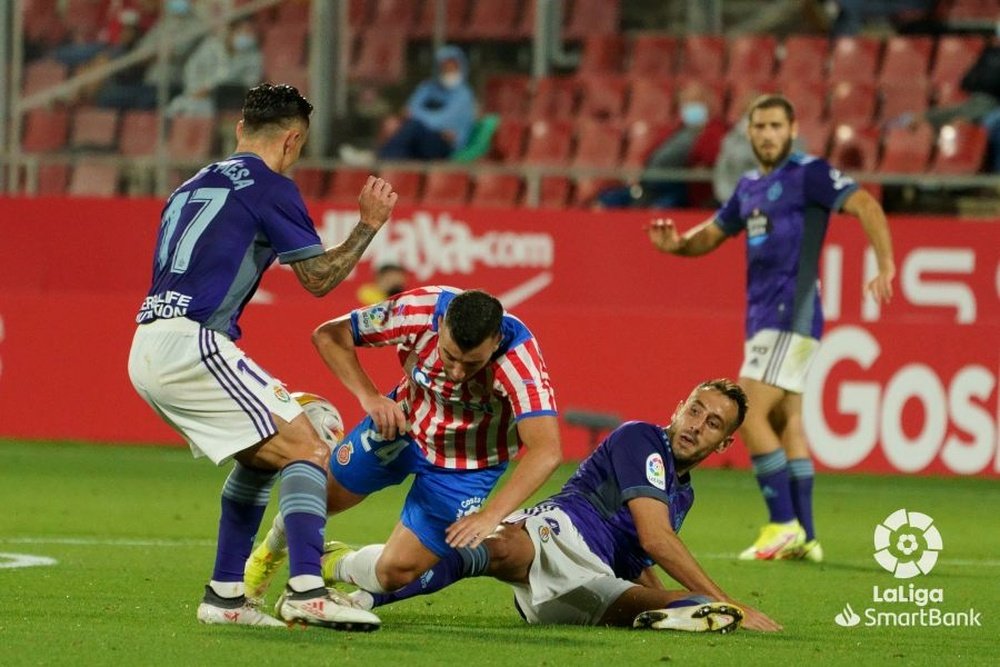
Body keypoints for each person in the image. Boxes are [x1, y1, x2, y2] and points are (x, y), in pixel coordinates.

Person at [127, 83, 397, 629]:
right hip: (193, 341)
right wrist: (367, 224)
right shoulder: (272, 187)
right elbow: (318, 279)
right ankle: (306, 589)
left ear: (239, 131)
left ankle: (225, 597)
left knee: (263, 456)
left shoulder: (191, 184)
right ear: (294, 139)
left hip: (149, 344)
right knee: (313, 439)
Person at [312, 380, 782, 633]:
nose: (698, 425)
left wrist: (709, 602)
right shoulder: (640, 438)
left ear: (724, 443)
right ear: (679, 407)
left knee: (695, 608)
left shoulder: (685, 492)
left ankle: (675, 614)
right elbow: (656, 538)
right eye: (695, 410)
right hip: (557, 535)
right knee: (493, 549)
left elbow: (640, 553)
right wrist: (730, 597)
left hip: (592, 582)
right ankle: (353, 577)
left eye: (713, 423)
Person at [646, 94, 895, 562]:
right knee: (787, 421)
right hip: (763, 320)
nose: (766, 134)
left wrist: (885, 263)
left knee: (749, 409)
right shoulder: (748, 188)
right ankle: (806, 535)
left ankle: (781, 523)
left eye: (775, 126)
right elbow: (712, 234)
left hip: (790, 315)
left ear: (793, 128)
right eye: (759, 126)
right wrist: (677, 246)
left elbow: (866, 206)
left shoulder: (811, 174)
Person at [244, 286, 563, 606]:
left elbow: (546, 451)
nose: (457, 372)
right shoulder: (417, 310)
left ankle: (335, 562)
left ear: (495, 341)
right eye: (450, 356)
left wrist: (491, 515)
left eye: (472, 364)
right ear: (440, 326)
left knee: (395, 573)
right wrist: (369, 396)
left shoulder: (521, 363)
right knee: (317, 499)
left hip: (466, 467)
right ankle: (268, 554)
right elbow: (329, 335)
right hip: (400, 427)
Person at [596, 80, 727, 209]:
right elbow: (652, 156)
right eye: (686, 102)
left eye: (696, 101)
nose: (690, 106)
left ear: (708, 104)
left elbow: (716, 160)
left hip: (680, 190)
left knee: (656, 214)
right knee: (604, 200)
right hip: (648, 186)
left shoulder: (716, 131)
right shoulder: (674, 130)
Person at [339, 45, 477, 164]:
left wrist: (418, 118)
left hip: (445, 145)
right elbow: (409, 109)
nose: (448, 72)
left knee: (412, 126)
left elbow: (441, 119)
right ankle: (375, 162)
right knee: (396, 130)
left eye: (452, 68)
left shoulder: (464, 95)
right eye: (445, 68)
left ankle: (375, 157)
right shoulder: (427, 87)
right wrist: (425, 121)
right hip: (421, 139)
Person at [165, 17, 263, 118]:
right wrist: (195, 90)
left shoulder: (253, 57)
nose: (249, 36)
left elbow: (250, 82)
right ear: (232, 31)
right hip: (194, 94)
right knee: (174, 108)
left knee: (204, 113)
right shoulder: (212, 46)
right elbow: (192, 67)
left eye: (252, 33)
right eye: (245, 31)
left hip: (224, 101)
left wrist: (211, 88)